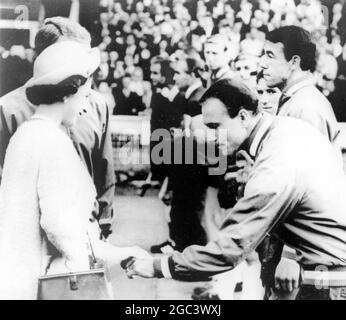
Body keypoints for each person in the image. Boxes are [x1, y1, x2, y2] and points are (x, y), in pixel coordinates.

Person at [124, 78, 346, 300]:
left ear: (243, 116)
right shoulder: (285, 131)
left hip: (328, 283)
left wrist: (158, 266)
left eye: (215, 127)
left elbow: (231, 248)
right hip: (324, 275)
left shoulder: (276, 161)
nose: (211, 137)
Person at [0, 41, 148, 300]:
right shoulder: (52, 141)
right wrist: (94, 262)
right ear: (69, 91)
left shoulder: (27, 134)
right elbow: (61, 227)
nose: (86, 105)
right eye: (86, 95)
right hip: (48, 283)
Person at [0, 17, 115, 238]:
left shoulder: (97, 105)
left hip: (87, 239)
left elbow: (104, 174)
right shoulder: (7, 110)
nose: (85, 80)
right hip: (29, 242)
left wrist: (103, 230)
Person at [260, 25, 342, 298]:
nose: (262, 63)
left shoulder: (305, 107)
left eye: (270, 55)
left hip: (306, 258)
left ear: (294, 61)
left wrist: (292, 256)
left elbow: (308, 187)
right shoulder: (295, 102)